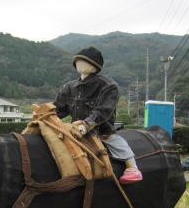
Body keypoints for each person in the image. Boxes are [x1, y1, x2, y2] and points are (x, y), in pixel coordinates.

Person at [53, 46, 143, 184]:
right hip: (74, 130)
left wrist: (86, 124)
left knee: (114, 140)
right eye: (78, 61)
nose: (80, 63)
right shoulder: (68, 87)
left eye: (85, 61)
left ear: (95, 66)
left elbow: (103, 110)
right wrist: (46, 116)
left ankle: (133, 168)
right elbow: (59, 109)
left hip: (101, 131)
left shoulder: (108, 85)